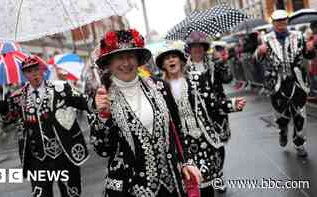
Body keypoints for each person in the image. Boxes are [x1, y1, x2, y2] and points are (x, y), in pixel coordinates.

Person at [90, 29, 201, 197]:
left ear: (138, 59)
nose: (126, 63)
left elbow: (177, 129)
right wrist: (103, 117)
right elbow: (102, 149)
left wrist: (187, 161)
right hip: (130, 188)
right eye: (119, 57)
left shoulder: (160, 86)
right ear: (109, 63)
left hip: (171, 184)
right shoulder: (102, 98)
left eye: (130, 56)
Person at [155, 44, 246, 196]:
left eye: (174, 56)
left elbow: (213, 103)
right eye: (166, 58)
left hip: (203, 140)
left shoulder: (197, 79)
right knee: (189, 187)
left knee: (206, 186)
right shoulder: (159, 89)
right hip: (181, 145)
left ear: (181, 61)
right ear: (162, 65)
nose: (171, 60)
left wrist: (232, 104)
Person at [0, 55, 91, 197]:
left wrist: (100, 103)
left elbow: (84, 102)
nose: (34, 74)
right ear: (24, 75)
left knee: (71, 193)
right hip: (37, 159)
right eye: (29, 71)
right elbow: (8, 120)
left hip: (63, 154)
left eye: (36, 69)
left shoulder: (60, 88)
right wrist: (4, 110)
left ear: (42, 70)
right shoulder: (17, 97)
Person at [255, 10, 316, 157]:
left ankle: (299, 143)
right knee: (280, 114)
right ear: (273, 22)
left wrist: (310, 49)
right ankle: (283, 130)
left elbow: (308, 55)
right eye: (278, 21)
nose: (281, 24)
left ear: (287, 21)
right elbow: (258, 59)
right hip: (276, 82)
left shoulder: (298, 36)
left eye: (283, 20)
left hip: (297, 80)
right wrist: (260, 51)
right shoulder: (266, 38)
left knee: (299, 113)